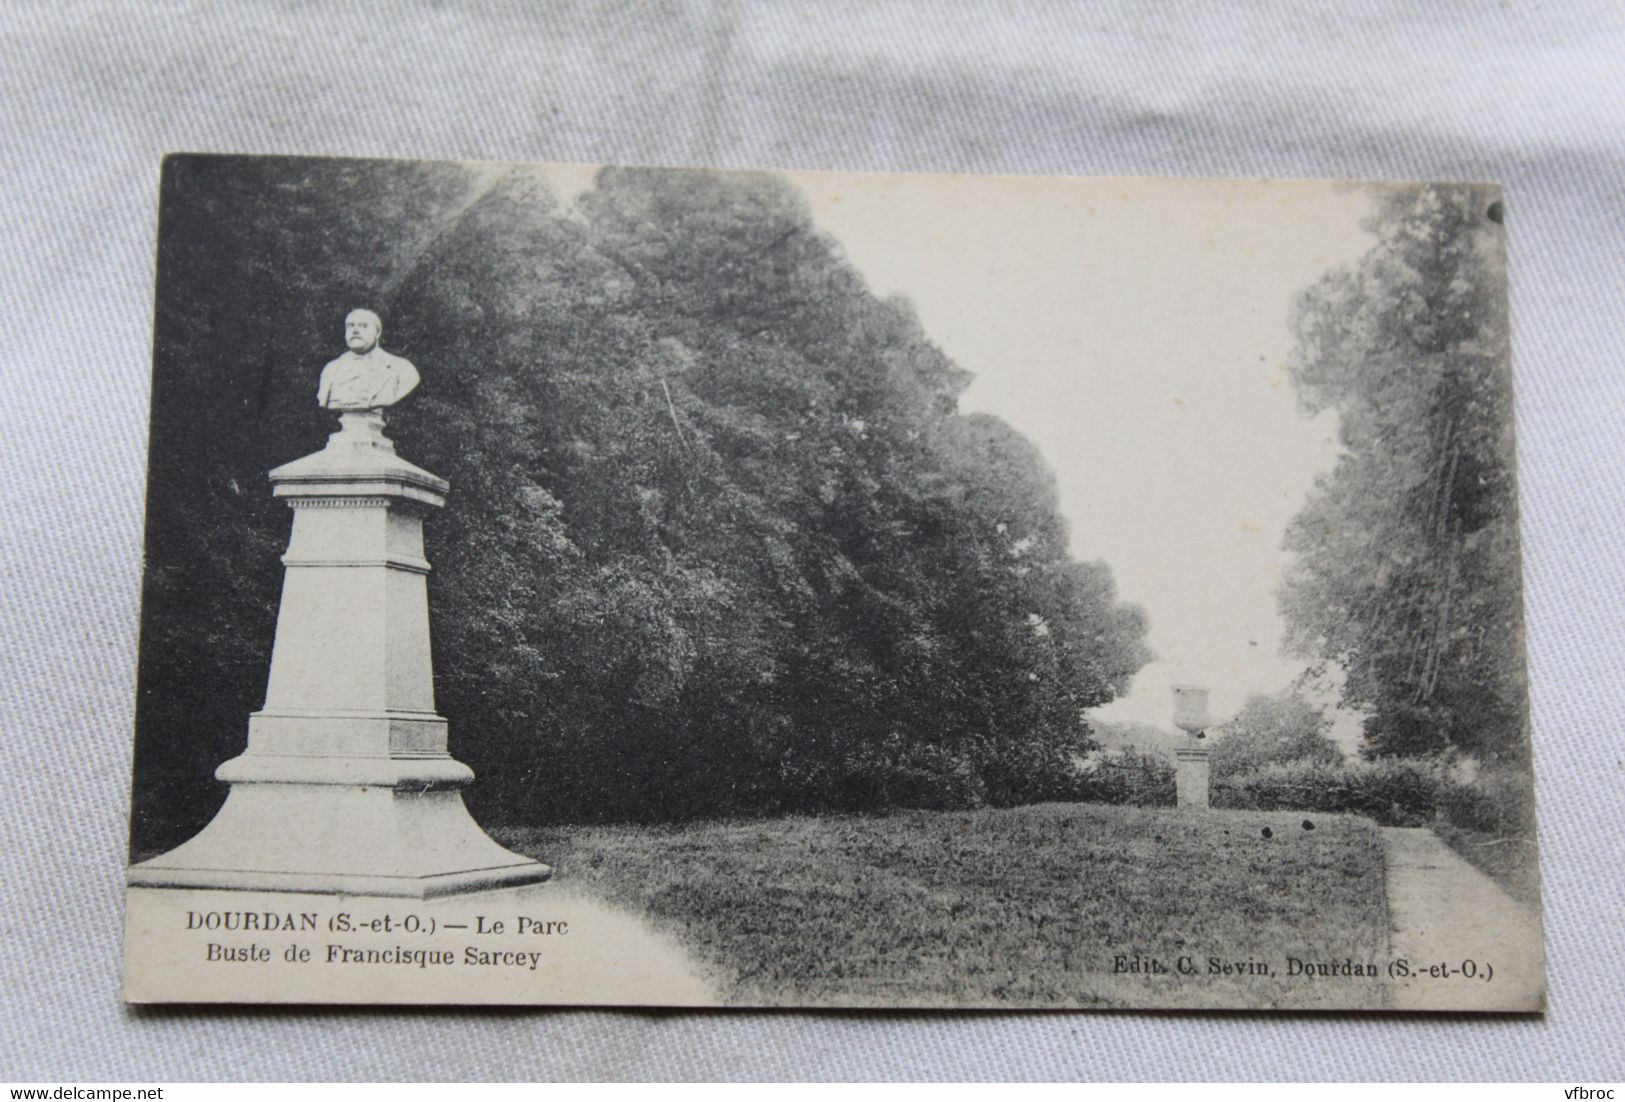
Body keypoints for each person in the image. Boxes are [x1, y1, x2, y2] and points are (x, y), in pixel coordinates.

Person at [316, 308, 421, 409]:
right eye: (350, 326)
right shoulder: (331, 369)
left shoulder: (403, 368)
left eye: (363, 326)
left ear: (377, 332)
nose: (355, 331)